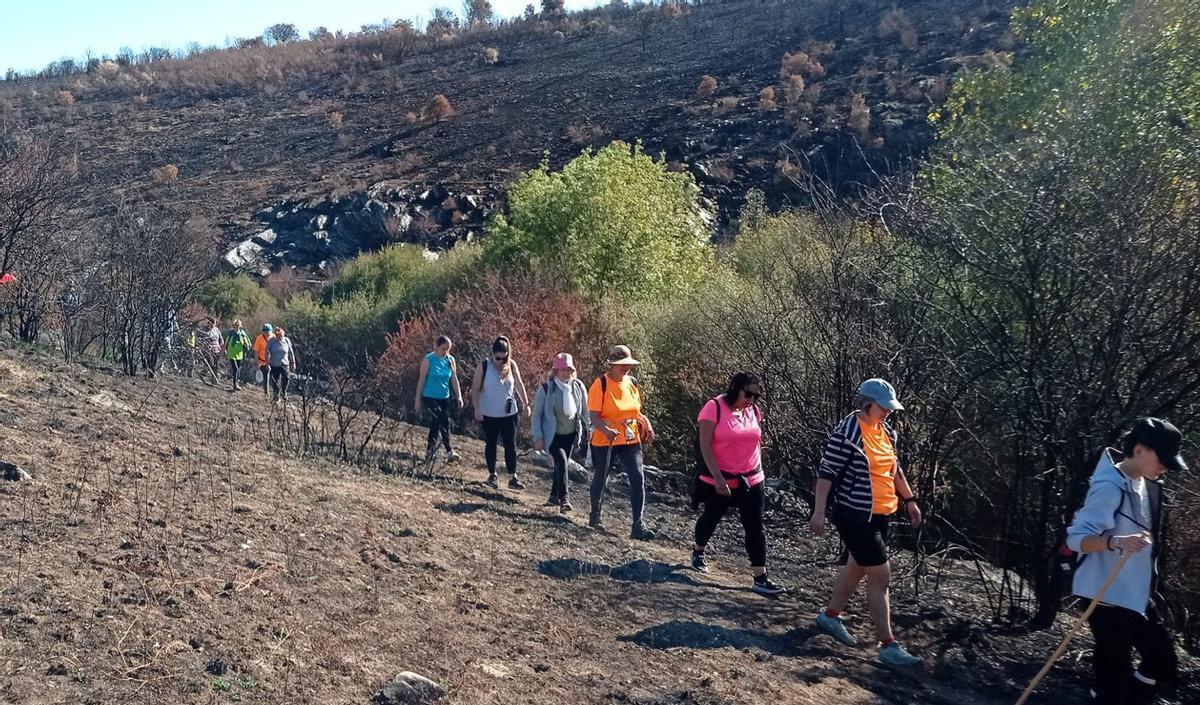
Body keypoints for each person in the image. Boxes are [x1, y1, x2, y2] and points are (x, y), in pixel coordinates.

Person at [1066, 418, 1181, 705]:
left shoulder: (1144, 484)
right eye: (1162, 458)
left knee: (1162, 661)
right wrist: (1115, 542)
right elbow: (1076, 539)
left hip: (1134, 593)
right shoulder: (1109, 486)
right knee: (1113, 679)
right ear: (1139, 449)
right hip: (1105, 595)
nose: (1165, 467)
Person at [809, 378, 923, 667]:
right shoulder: (846, 433)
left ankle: (830, 616)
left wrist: (910, 500)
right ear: (868, 404)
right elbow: (826, 474)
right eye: (883, 407)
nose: (888, 411)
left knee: (857, 567)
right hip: (854, 515)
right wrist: (819, 512)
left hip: (881, 513)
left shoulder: (886, 432)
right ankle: (888, 645)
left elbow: (894, 470)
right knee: (881, 576)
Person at [692, 372, 785, 596]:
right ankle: (698, 550)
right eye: (748, 394)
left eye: (756, 395)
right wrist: (718, 478)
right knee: (711, 517)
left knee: (755, 527)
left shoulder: (753, 411)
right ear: (736, 389)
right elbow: (705, 446)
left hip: (752, 478)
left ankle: (760, 577)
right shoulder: (713, 408)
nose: (752, 399)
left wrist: (758, 467)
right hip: (720, 478)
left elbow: (754, 440)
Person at [588, 345, 657, 540]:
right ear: (611, 365)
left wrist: (646, 422)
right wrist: (606, 430)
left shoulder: (632, 383)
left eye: (628, 364)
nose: (626, 367)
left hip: (630, 438)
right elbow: (594, 416)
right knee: (601, 477)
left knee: (638, 477)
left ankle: (638, 524)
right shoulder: (600, 384)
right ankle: (595, 516)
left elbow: (636, 411)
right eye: (621, 364)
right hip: (605, 440)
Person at [472, 336, 531, 490]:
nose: (501, 361)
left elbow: (519, 384)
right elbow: (475, 389)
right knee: (491, 443)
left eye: (504, 358)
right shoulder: (484, 366)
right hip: (489, 413)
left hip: (509, 414)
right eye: (498, 358)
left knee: (510, 445)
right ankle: (492, 475)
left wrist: (526, 404)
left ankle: (512, 477)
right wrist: (477, 409)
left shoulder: (511, 365)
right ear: (492, 354)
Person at [532, 353, 589, 511]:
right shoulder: (546, 389)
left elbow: (585, 410)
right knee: (562, 461)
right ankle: (565, 499)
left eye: (569, 369)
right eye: (563, 369)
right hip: (552, 436)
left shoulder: (578, 387)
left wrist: (588, 428)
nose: (566, 373)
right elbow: (536, 416)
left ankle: (553, 496)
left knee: (560, 465)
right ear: (556, 371)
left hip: (570, 436)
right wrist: (538, 437)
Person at [414, 335, 463, 463]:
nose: (445, 352)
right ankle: (449, 450)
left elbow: (454, 379)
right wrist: (417, 399)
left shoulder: (450, 360)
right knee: (442, 418)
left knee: (436, 423)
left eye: (448, 349)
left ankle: (430, 452)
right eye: (443, 348)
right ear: (436, 346)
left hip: (444, 397)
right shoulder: (428, 360)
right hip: (430, 396)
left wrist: (459, 396)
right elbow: (421, 380)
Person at [266, 326, 297, 403]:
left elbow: (291, 352)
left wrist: (293, 362)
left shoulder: (286, 341)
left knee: (286, 378)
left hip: (285, 364)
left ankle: (284, 392)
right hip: (275, 364)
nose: (280, 337)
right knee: (275, 381)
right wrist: (268, 363)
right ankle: (276, 396)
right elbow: (267, 352)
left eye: (281, 335)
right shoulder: (271, 341)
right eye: (278, 335)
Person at [224, 319, 252, 391]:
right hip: (231, 354)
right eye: (236, 325)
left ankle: (236, 383)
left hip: (239, 354)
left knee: (238, 369)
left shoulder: (243, 334)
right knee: (235, 368)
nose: (237, 327)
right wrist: (223, 351)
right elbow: (226, 343)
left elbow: (247, 344)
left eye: (238, 325)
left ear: (240, 326)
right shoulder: (231, 333)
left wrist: (247, 348)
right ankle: (235, 384)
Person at [252, 324, 273, 397]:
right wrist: (256, 362)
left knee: (274, 378)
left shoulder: (274, 337)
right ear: (263, 331)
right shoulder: (259, 338)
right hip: (263, 362)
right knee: (266, 377)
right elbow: (256, 351)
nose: (267, 333)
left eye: (268, 331)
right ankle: (266, 393)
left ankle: (275, 394)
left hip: (273, 362)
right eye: (265, 331)